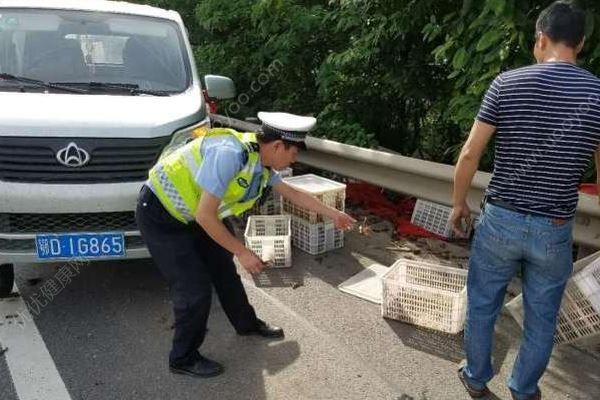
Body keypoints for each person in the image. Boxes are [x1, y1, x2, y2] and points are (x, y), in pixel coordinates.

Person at [450, 2, 600, 399]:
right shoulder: (596, 95)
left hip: (501, 220)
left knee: (483, 304)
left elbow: (469, 154)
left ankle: (477, 378)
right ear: (580, 44)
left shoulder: (506, 83)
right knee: (542, 317)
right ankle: (523, 388)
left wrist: (458, 203)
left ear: (540, 39)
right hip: (554, 229)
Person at [136, 111, 355, 378]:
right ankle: (183, 357)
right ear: (277, 146)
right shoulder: (230, 154)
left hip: (198, 214)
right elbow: (206, 216)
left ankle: (246, 324)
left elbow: (293, 192)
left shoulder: (261, 164)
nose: (294, 159)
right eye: (293, 152)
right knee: (194, 289)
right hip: (162, 213)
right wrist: (242, 251)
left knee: (225, 272)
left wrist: (334, 214)